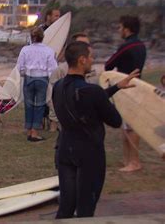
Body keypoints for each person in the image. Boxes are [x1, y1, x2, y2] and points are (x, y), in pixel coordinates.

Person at [53, 41, 139, 218]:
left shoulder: (58, 87)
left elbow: (81, 99)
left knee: (65, 208)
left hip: (65, 149)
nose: (93, 60)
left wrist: (115, 87)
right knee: (85, 209)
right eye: (91, 57)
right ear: (82, 60)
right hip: (89, 153)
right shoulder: (92, 91)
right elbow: (115, 121)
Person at [105, 15, 146, 172]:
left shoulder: (127, 46)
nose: (119, 30)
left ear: (127, 29)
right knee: (127, 124)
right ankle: (127, 160)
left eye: (120, 27)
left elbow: (109, 64)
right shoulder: (141, 45)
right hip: (138, 86)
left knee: (131, 126)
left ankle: (134, 161)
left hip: (127, 88)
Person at [17, 27, 57, 141]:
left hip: (29, 77)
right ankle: (34, 131)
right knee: (39, 105)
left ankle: (29, 129)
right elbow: (53, 68)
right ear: (42, 37)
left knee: (28, 105)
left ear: (31, 37)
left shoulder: (25, 49)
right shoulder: (49, 50)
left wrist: (23, 74)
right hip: (42, 78)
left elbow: (20, 65)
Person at [48, 32, 91, 132]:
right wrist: (55, 120)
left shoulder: (91, 72)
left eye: (87, 45)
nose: (86, 48)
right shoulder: (60, 71)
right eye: (82, 45)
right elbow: (52, 96)